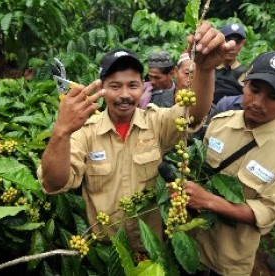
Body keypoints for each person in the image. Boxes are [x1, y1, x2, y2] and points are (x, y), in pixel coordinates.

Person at [37, 22, 232, 252]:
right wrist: (61, 131)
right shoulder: (85, 132)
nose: (124, 95)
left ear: (143, 87)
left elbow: (194, 112)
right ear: (102, 89)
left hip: (153, 250)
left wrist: (206, 70)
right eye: (115, 86)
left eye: (132, 85)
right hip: (107, 250)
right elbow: (54, 182)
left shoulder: (156, 121)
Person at [183, 51, 275, 275]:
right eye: (254, 90)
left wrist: (208, 201)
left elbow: (267, 213)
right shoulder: (219, 123)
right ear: (244, 84)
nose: (257, 103)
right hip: (189, 242)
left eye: (273, 97)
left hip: (226, 258)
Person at [213, 22, 247, 104]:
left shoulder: (246, 73)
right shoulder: (209, 68)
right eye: (227, 40)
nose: (232, 46)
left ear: (243, 43)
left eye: (237, 42)